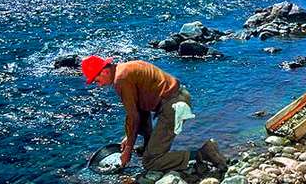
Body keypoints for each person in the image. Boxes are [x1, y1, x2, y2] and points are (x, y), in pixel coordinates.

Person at [81, 55, 227, 171]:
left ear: (105, 71)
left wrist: (128, 151)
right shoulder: (126, 68)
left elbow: (133, 117)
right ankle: (150, 148)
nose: (99, 85)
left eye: (97, 80)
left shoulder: (121, 80)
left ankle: (203, 153)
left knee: (150, 162)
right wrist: (129, 136)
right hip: (179, 96)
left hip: (174, 107)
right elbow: (139, 111)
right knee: (141, 125)